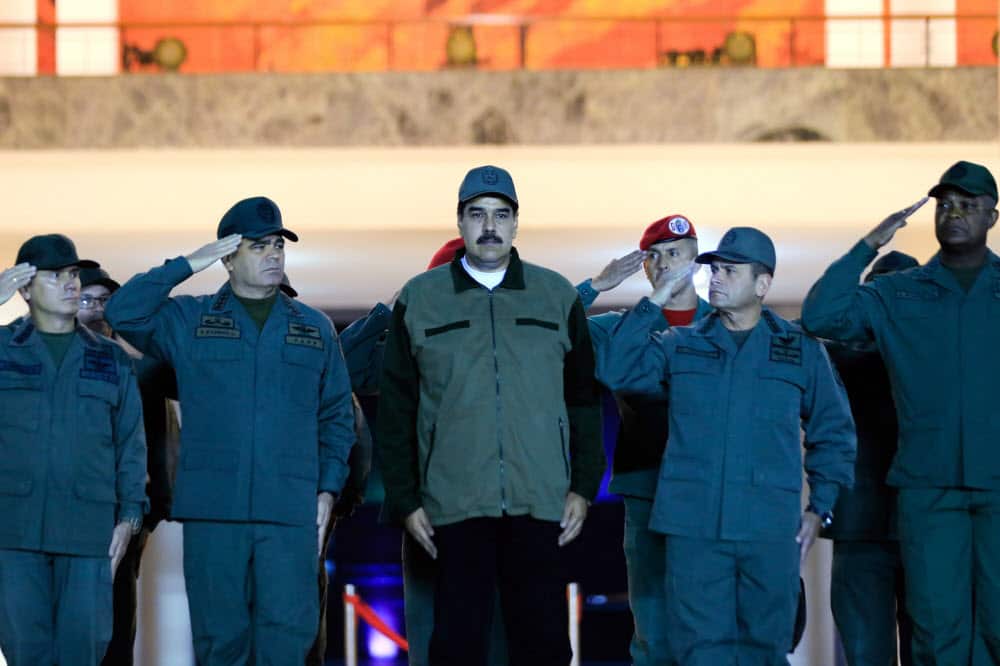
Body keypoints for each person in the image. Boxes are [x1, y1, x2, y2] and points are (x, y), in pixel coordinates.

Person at [105, 196, 357, 665]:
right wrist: (189, 263)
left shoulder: (314, 328)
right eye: (258, 246)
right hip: (214, 515)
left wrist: (327, 490)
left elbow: (336, 417)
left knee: (289, 640)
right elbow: (124, 312)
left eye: (278, 245)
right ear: (227, 258)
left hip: (289, 513)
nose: (273, 255)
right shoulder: (190, 320)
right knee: (220, 643)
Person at [377, 165, 605, 666]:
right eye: (477, 214)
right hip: (451, 505)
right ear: (460, 222)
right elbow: (396, 409)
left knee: (543, 643)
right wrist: (405, 499)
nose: (489, 226)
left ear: (517, 224)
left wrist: (584, 488)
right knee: (457, 644)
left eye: (501, 215)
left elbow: (584, 402)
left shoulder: (556, 295)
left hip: (540, 502)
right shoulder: (421, 299)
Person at [597, 226, 856, 665]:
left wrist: (821, 506)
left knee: (767, 649)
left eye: (730, 271)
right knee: (699, 652)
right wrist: (655, 299)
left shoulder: (798, 350)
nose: (715, 277)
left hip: (768, 529)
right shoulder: (680, 345)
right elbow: (618, 370)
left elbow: (833, 431)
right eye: (714, 269)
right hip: (693, 530)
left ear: (762, 284)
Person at [801, 160, 1000, 664]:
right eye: (945, 204)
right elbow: (821, 314)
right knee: (935, 634)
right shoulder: (900, 294)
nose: (954, 213)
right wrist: (868, 245)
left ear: (992, 216)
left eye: (968, 204)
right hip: (927, 486)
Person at [0, 235, 147, 665]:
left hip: (89, 534)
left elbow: (130, 444)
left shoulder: (110, 359)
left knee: (84, 651)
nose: (71, 284)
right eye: (54, 275)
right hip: (14, 534)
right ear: (25, 288)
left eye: (72, 274)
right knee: (27, 653)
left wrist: (130, 517)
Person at [577, 214, 712, 666]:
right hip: (646, 488)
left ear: (696, 260)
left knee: (713, 624)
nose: (664, 264)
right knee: (653, 627)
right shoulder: (619, 327)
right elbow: (549, 330)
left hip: (711, 490)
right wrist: (596, 286)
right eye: (654, 257)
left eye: (675, 253)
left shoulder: (728, 324)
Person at [816, 251, 917, 666]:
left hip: (883, 526)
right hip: (904, 525)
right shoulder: (839, 354)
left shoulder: (835, 354)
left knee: (867, 652)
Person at [75, 265, 178, 666]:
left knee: (117, 625)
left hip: (125, 516)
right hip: (60, 516)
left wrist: (150, 514)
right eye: (87, 299)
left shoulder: (142, 369)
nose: (96, 310)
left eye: (105, 301)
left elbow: (161, 438)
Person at [278, 273, 375, 666]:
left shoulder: (316, 365)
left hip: (307, 508)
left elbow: (352, 431)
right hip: (297, 507)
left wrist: (342, 498)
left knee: (300, 613)